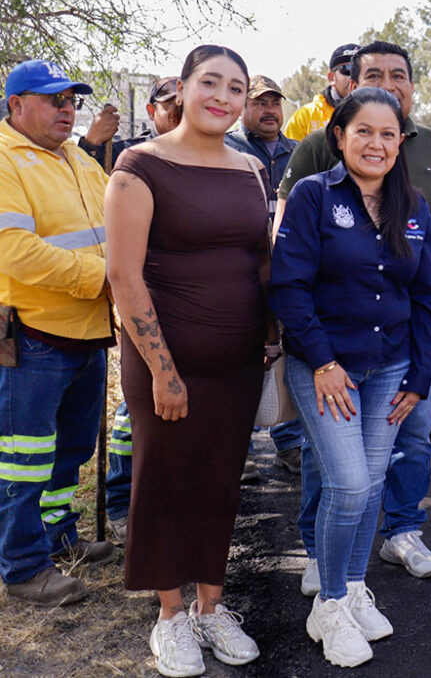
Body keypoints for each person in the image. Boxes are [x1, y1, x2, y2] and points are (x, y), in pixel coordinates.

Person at [106, 45, 267, 674]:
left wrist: (273, 338)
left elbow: (260, 258)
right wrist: (164, 373)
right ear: (185, 87)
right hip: (164, 360)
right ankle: (170, 616)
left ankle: (211, 607)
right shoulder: (139, 165)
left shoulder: (250, 169)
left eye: (235, 87)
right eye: (210, 83)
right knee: (166, 482)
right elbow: (123, 275)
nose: (222, 97)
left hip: (238, 358)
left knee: (220, 483)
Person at [271, 86, 431, 667]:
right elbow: (288, 287)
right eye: (363, 131)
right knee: (346, 484)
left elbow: (426, 297)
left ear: (401, 141)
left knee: (369, 484)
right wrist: (322, 362)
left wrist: (419, 379)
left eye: (388, 133)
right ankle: (331, 602)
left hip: (391, 367)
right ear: (337, 137)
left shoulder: (413, 205)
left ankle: (354, 585)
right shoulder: (313, 197)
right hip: (326, 368)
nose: (376, 143)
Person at [0, 60, 117, 607]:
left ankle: (57, 534)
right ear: (16, 105)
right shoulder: (4, 160)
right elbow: (16, 252)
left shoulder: (78, 158)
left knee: (68, 448)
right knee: (24, 456)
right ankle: (23, 566)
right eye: (54, 100)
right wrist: (104, 279)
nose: (67, 109)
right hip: (32, 336)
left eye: (72, 99)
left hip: (86, 332)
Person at [105, 77, 184, 543]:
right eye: (168, 106)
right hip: (143, 311)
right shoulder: (134, 159)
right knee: (131, 418)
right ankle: (121, 505)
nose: (176, 113)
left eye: (182, 104)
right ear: (152, 111)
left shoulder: (208, 157)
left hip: (190, 313)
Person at [225, 75, 305, 475]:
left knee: (289, 356)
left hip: (289, 269)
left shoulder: (298, 152)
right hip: (240, 270)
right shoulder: (227, 148)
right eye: (261, 103)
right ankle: (237, 449)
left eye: (276, 103)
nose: (270, 110)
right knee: (242, 357)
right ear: (243, 107)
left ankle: (289, 443)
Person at [78, 76, 182, 167]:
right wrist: (91, 142)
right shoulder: (127, 153)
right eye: (170, 105)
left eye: (183, 106)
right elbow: (81, 175)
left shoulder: (197, 155)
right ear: (151, 111)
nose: (178, 112)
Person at [284, 43, 359, 142]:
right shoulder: (305, 117)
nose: (354, 77)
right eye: (347, 69)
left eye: (359, 70)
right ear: (331, 78)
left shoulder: (380, 114)